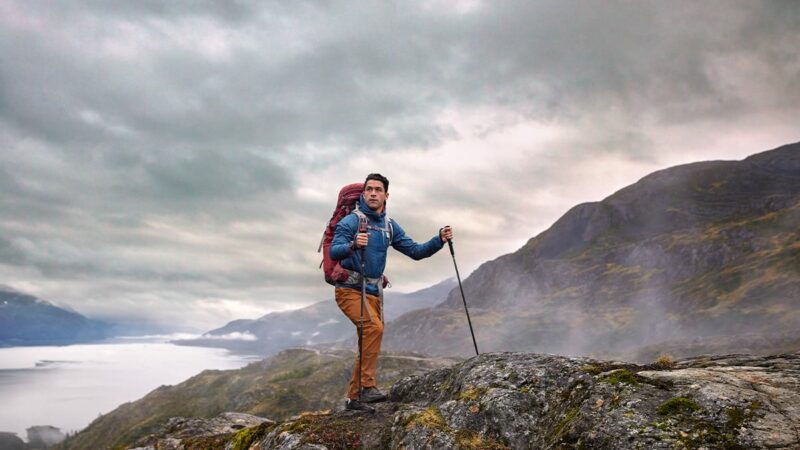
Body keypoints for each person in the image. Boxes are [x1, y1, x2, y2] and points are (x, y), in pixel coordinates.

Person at [330, 173, 453, 412]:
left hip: (374, 292)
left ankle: (354, 399)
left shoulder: (389, 226)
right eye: (369, 189)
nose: (373, 193)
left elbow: (416, 251)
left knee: (370, 337)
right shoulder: (351, 222)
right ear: (363, 193)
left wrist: (438, 239)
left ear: (386, 195)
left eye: (378, 189)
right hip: (349, 289)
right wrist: (353, 244)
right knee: (373, 328)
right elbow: (335, 251)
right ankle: (366, 388)